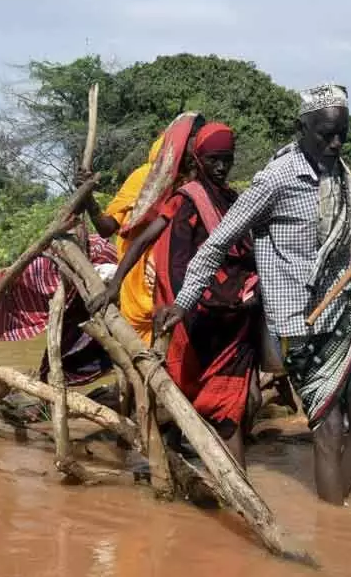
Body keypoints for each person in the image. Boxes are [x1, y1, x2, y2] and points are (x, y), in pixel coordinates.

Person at [157, 84, 351, 505]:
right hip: (301, 324)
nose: (336, 143)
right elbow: (217, 243)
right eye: (326, 133)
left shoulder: (338, 175)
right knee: (329, 428)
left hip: (341, 316)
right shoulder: (275, 179)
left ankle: (337, 518)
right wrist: (184, 301)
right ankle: (335, 527)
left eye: (342, 134)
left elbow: (338, 232)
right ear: (303, 127)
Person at [106, 122, 262, 465]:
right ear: (198, 158)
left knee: (230, 407)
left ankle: (238, 486)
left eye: (228, 159)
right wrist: (116, 282)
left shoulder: (233, 199)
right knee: (180, 391)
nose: (222, 167)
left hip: (232, 317)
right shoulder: (185, 197)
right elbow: (145, 238)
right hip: (190, 313)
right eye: (215, 159)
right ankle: (173, 466)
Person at [79, 134, 166, 345]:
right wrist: (88, 196)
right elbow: (106, 228)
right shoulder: (141, 178)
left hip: (166, 279)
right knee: (138, 349)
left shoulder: (189, 185)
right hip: (133, 278)